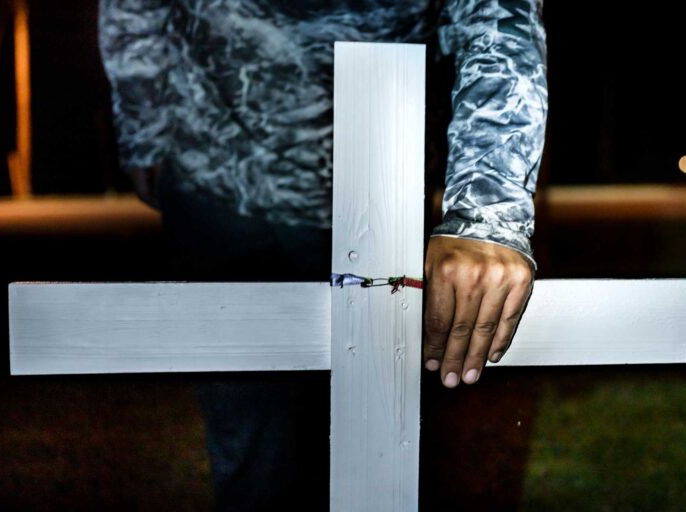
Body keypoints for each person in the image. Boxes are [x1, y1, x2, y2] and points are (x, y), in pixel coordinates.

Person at [98, 0, 548, 509]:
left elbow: (497, 18)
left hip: (381, 195)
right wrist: (144, 127)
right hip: (218, 184)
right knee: (254, 457)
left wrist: (485, 213)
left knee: (385, 450)